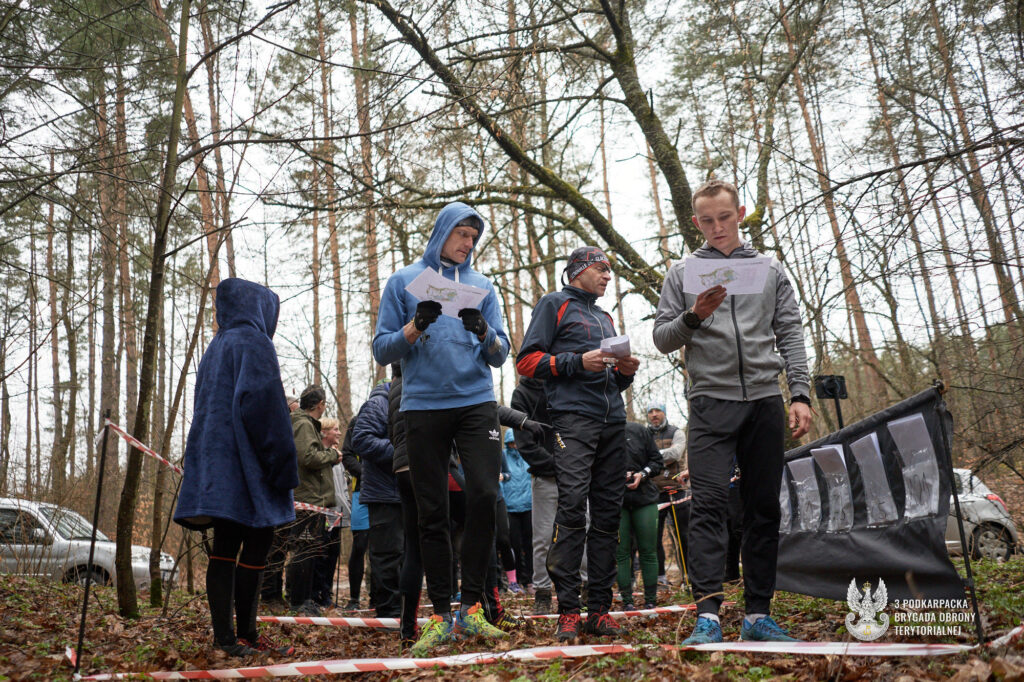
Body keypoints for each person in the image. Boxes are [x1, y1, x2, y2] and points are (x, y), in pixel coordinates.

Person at [652, 179, 812, 644]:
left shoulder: (769, 269)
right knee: (707, 506)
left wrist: (799, 394)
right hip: (709, 402)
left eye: (724, 217)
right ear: (695, 222)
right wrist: (694, 316)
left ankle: (758, 615)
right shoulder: (682, 272)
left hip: (764, 400)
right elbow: (662, 338)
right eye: (707, 220)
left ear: (740, 214)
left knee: (763, 509)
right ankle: (707, 617)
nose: (717, 227)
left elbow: (790, 331)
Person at [372, 201, 511, 656]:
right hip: (423, 406)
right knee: (431, 511)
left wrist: (484, 331)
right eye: (462, 234)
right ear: (442, 232)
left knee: (485, 496)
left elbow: (501, 354)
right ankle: (437, 616)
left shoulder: (482, 286)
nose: (469, 243)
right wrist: (415, 327)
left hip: (476, 401)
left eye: (474, 237)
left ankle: (471, 608)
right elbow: (382, 349)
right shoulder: (403, 281)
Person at [517, 246, 640, 642]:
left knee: (607, 516)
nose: (608, 276)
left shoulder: (605, 317)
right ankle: (568, 611)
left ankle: (599, 611)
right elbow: (526, 362)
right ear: (579, 270)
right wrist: (576, 361)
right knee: (571, 509)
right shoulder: (554, 304)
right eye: (602, 269)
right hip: (572, 421)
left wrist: (625, 373)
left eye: (610, 270)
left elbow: (610, 379)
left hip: (613, 422)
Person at [174, 277, 296, 657]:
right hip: (249, 467)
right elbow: (265, 410)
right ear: (260, 308)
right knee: (256, 546)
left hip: (216, 468)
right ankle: (244, 636)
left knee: (225, 547)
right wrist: (282, 466)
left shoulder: (215, 347)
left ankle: (226, 638)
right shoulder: (254, 343)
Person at [287, 385, 341, 616]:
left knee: (310, 551)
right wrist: (332, 455)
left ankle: (306, 599)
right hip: (307, 499)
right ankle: (298, 601)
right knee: (304, 551)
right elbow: (308, 457)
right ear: (320, 404)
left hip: (314, 500)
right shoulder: (303, 424)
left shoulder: (306, 424)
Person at [353, 376, 403, 619]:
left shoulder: (413, 400)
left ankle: (403, 609)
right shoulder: (377, 404)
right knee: (386, 556)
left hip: (407, 493)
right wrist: (401, 451)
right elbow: (361, 440)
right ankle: (388, 612)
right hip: (383, 494)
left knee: (405, 555)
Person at [616, 422, 663, 610]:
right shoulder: (601, 432)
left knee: (648, 550)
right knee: (622, 552)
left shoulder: (639, 431)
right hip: (617, 501)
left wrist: (642, 474)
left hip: (644, 498)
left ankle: (650, 600)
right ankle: (627, 601)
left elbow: (657, 461)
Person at [645, 402, 688, 588]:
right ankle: (660, 578)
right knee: (653, 538)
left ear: (664, 413)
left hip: (678, 491)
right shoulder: (644, 434)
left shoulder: (676, 432)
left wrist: (650, 457)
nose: (654, 414)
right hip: (653, 493)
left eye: (658, 411)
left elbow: (675, 454)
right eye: (651, 411)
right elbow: (637, 455)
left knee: (683, 536)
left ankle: (688, 576)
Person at [313, 417, 348, 608]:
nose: (339, 433)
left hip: (338, 514)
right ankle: (318, 595)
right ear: (324, 432)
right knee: (321, 554)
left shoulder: (338, 456)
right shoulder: (320, 455)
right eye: (335, 429)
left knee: (333, 555)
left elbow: (342, 487)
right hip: (324, 513)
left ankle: (326, 594)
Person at [341, 417, 371, 610]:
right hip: (362, 491)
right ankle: (354, 599)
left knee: (384, 547)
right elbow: (347, 454)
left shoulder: (395, 415)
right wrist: (365, 474)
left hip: (389, 493)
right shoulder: (358, 420)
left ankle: (380, 597)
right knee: (360, 545)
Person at [501, 430, 533, 594]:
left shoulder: (528, 455)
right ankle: (517, 579)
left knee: (530, 545)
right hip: (510, 507)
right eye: (511, 442)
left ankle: (530, 580)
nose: (515, 445)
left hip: (529, 506)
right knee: (514, 545)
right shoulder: (503, 456)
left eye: (516, 442)